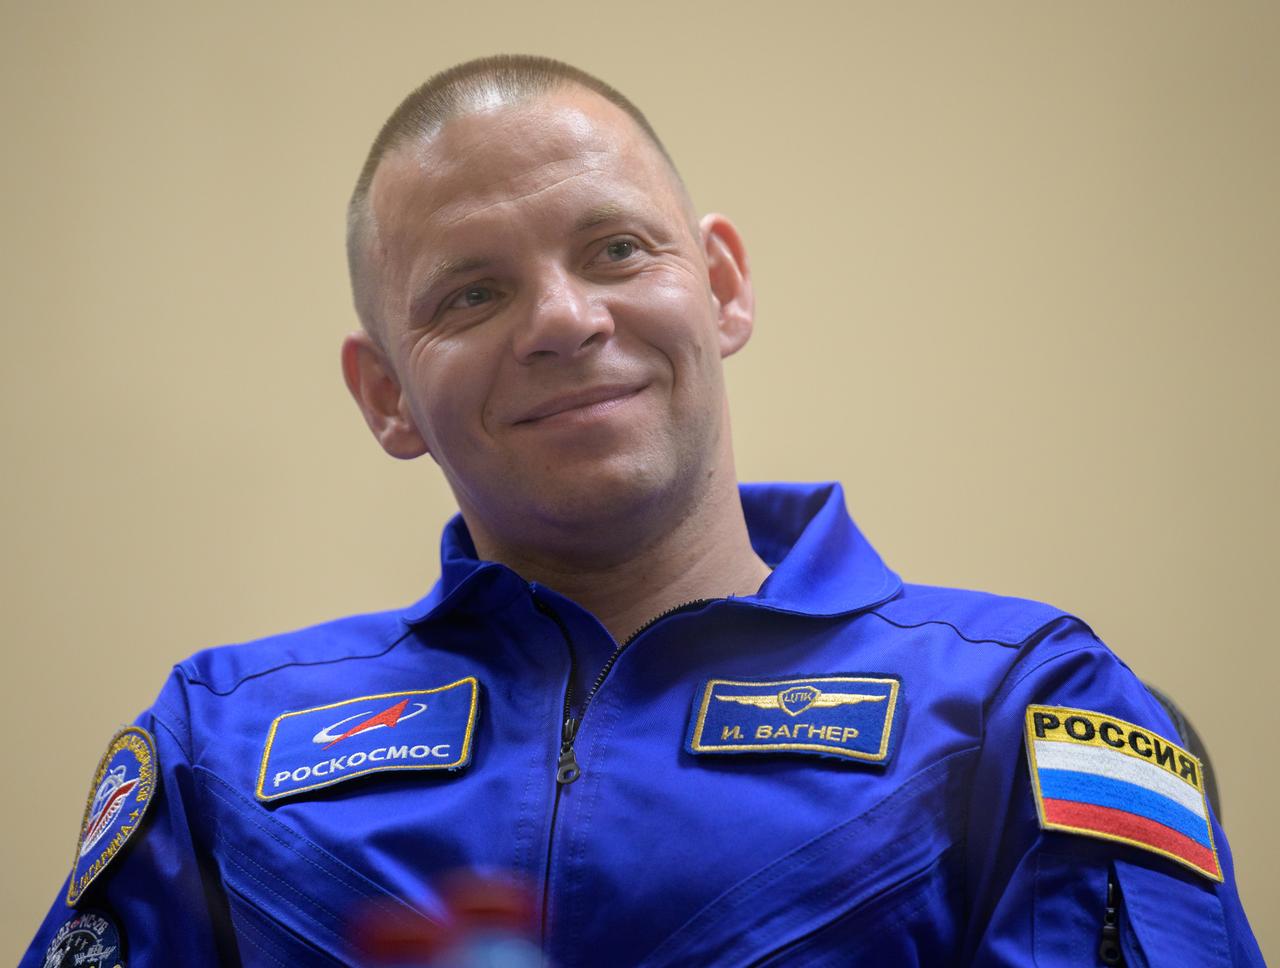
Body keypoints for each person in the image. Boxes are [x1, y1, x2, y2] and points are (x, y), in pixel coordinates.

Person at [23, 54, 1263, 967]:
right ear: (386, 394)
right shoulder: (214, 745)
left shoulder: (1021, 705)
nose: (563, 319)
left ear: (718, 286)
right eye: (469, 293)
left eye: (615, 249)